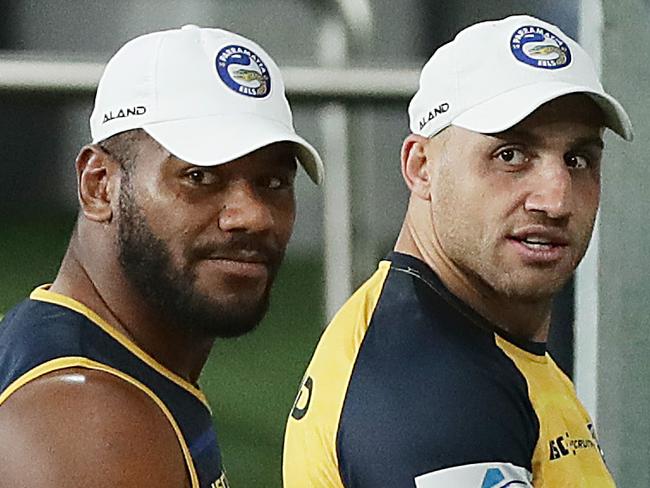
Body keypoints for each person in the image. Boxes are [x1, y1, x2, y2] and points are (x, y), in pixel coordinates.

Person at [283, 15, 632, 488]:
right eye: (510, 155)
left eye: (578, 158)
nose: (556, 200)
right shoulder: (433, 391)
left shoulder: (473, 340)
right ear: (421, 166)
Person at [0, 25, 322, 488]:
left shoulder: (90, 360)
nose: (252, 215)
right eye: (198, 176)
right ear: (99, 186)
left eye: (272, 182)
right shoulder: (90, 427)